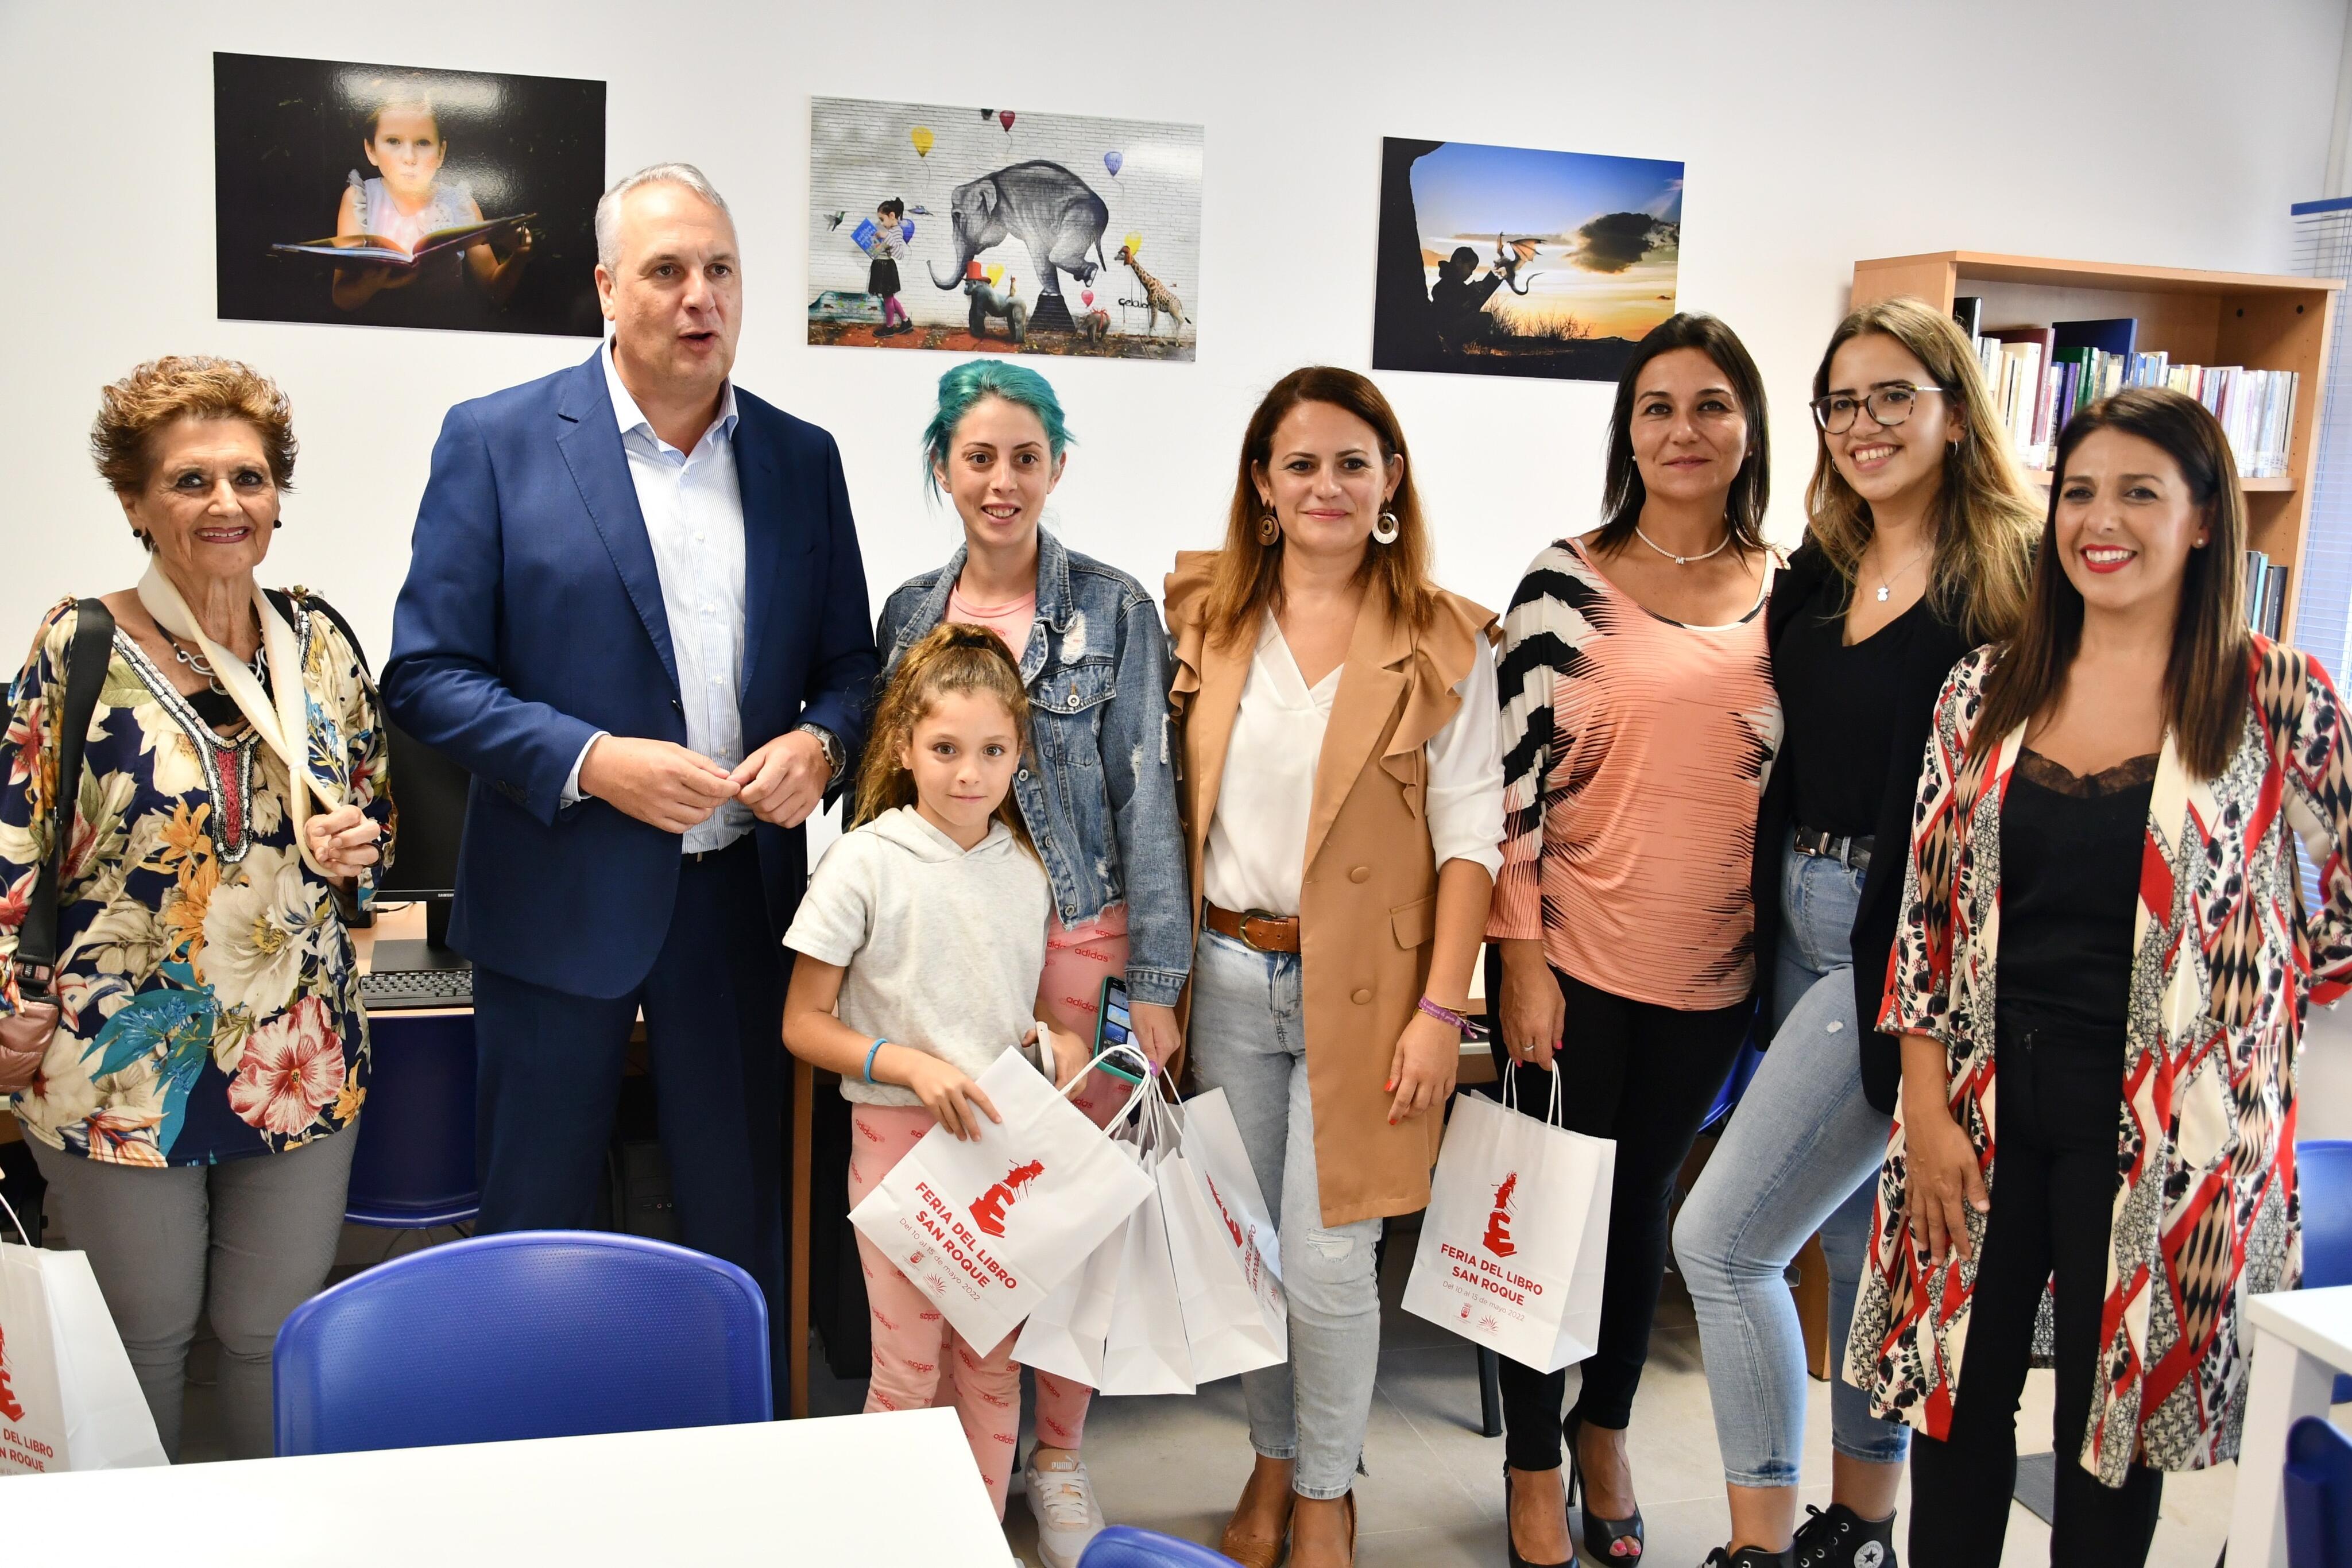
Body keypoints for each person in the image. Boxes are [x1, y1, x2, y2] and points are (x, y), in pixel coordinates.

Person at [381, 162, 877, 1410]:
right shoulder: (495, 440)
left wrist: (822, 745)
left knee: (740, 1220)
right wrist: (592, 761)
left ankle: (737, 1453)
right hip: (555, 902)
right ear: (607, 289)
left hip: (741, 907)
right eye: (666, 271)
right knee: (534, 1220)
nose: (699, 296)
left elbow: (851, 669)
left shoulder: (801, 459)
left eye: (720, 270)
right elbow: (427, 676)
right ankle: (526, 1461)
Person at [1853, 386, 2352, 1567]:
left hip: (2164, 1136)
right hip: (1978, 1108)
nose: (2100, 520)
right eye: (2078, 492)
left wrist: (2240, 1005)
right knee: (1954, 1404)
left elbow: (2336, 913)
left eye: (2139, 492)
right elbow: (1926, 916)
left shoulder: (2277, 696)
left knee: (2107, 1430)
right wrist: (1923, 1108)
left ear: (2202, 519)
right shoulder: (1984, 688)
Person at [1671, 298, 2039, 1568]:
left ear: (1954, 411)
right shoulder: (1821, 567)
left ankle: (1760, 1544)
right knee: (1853, 1240)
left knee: (1721, 1244)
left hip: (1900, 931)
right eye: (1841, 402)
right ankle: (1863, 1526)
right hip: (1793, 908)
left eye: (1894, 397)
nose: (1864, 424)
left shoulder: (2010, 582)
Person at [0, 355, 392, 1459]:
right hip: (121, 1064)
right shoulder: (80, 644)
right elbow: (13, 846)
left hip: (297, 1054)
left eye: (249, 478)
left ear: (277, 498)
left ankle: (266, 1531)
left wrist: (356, 849)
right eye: (191, 480)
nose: (227, 502)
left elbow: (375, 824)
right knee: (143, 1339)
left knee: (273, 1335)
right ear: (135, 500)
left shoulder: (319, 643)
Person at [1167, 366, 1503, 1568]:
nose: (1326, 485)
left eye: (1352, 463)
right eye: (1299, 464)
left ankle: (1323, 1491)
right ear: (1262, 484)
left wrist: (1440, 1012)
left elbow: (1471, 840)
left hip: (1372, 996)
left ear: (1390, 481)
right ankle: (1270, 1458)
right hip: (1227, 972)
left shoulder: (1444, 639)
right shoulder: (1203, 618)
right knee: (1252, 1252)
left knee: (1327, 1261)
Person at [873, 359, 1188, 1568]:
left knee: (1063, 1224)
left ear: (1056, 467)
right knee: (966, 1214)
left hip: (1075, 949)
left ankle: (1054, 1454)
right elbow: (883, 799)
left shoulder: (1114, 609)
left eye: (1023, 458)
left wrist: (1154, 985)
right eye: (977, 457)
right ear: (942, 468)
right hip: (947, 955)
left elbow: (1147, 800)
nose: (1000, 481)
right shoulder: (908, 613)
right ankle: (958, 1462)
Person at [1487, 313, 1779, 1568]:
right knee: (1542, 1219)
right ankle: (1530, 1463)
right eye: (1656, 407)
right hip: (1570, 963)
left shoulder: (1792, 593)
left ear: (1748, 428)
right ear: (1627, 431)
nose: (1682, 430)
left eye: (1710, 404)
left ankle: (1602, 1431)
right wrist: (1519, 960)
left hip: (1716, 973)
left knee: (1639, 1218)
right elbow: (1504, 792)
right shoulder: (1563, 581)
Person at [780, 623, 1086, 1528]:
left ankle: (974, 1538)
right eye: (946, 748)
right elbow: (803, 1023)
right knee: (908, 1374)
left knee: (992, 1369)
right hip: (895, 1149)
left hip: (996, 1155)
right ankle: (891, 1541)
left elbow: (1011, 1006)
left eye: (992, 750)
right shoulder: (863, 861)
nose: (969, 773)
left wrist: (1056, 1043)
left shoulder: (1025, 871)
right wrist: (910, 1065)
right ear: (903, 747)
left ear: (1019, 753)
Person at [330, 79, 531, 315]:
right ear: (371, 150)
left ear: (441, 152)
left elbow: (494, 291)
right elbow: (341, 297)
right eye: (393, 141)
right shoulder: (361, 199)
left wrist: (520, 254)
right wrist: (371, 284)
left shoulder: (459, 203)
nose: (409, 158)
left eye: (423, 142)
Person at [1429, 246, 1505, 353]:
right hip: (1445, 328)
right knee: (1484, 319)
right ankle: (1452, 344)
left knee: (1486, 318)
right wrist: (1470, 291)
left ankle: (1455, 346)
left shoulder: (1457, 285)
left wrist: (1474, 298)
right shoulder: (1445, 284)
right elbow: (1449, 307)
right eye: (1470, 268)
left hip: (1450, 327)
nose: (1471, 273)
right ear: (1459, 262)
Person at [870, 198, 912, 336]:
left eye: (882, 219)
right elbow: (882, 247)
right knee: (890, 297)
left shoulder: (897, 231)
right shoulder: (890, 230)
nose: (881, 223)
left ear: (892, 216)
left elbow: (900, 254)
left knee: (888, 299)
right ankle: (906, 321)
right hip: (880, 265)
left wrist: (886, 236)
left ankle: (889, 328)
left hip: (886, 267)